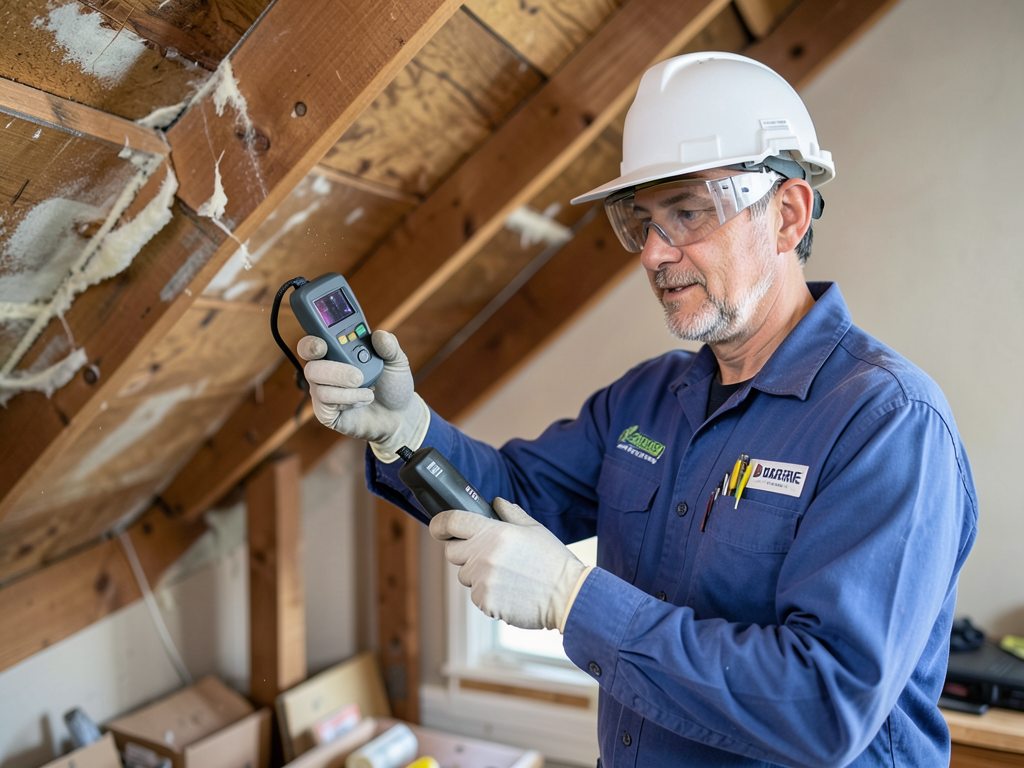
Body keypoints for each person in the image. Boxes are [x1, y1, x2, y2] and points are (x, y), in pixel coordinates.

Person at [298, 52, 978, 767]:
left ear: (787, 215)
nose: (653, 253)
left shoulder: (888, 424)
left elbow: (824, 705)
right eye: (640, 221)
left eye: (687, 212)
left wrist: (573, 598)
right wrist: (406, 431)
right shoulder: (648, 400)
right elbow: (513, 494)